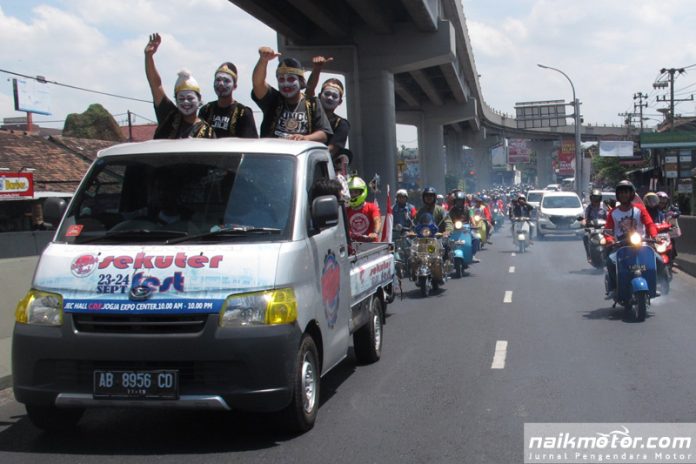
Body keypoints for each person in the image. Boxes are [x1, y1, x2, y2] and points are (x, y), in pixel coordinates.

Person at [251, 47, 332, 141]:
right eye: (281, 79)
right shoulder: (273, 99)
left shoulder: (312, 103)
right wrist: (263, 60)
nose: (286, 84)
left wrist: (305, 138)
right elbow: (258, 83)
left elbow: (324, 134)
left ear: (301, 81)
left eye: (291, 79)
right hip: (273, 153)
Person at [144, 33, 215, 139]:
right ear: (176, 101)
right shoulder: (169, 116)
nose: (186, 102)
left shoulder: (208, 132)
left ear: (199, 99)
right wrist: (149, 56)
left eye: (190, 98)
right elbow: (156, 85)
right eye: (181, 98)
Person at [603, 181, 659, 297]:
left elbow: (650, 224)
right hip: (620, 246)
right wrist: (610, 240)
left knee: (659, 261)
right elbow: (608, 231)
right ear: (618, 195)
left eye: (626, 192)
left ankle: (656, 285)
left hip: (641, 244)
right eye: (621, 192)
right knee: (610, 262)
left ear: (631, 194)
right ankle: (614, 287)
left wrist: (654, 236)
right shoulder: (613, 213)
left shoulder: (640, 209)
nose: (624, 195)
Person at [305, 56, 351, 157]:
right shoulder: (309, 112)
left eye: (334, 96)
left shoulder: (342, 124)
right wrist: (317, 68)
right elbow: (308, 91)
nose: (330, 98)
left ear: (340, 102)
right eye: (327, 94)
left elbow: (332, 149)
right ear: (319, 96)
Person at [198, 62, 258, 138]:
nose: (221, 84)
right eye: (218, 80)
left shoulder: (243, 113)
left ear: (235, 86)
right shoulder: (206, 110)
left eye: (226, 81)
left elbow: (249, 144)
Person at [346, 176, 381, 242]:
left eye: (356, 192)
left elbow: (377, 220)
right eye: (350, 192)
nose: (353, 195)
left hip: (371, 244)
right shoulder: (346, 210)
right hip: (354, 245)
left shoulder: (371, 207)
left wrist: (375, 233)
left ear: (362, 192)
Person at [582, 189, 608, 262]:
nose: (595, 200)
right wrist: (584, 222)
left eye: (597, 198)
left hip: (603, 228)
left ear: (600, 198)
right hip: (592, 228)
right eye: (593, 198)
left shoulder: (604, 207)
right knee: (585, 237)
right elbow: (583, 217)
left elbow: (609, 216)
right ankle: (589, 255)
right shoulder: (588, 208)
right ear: (591, 199)